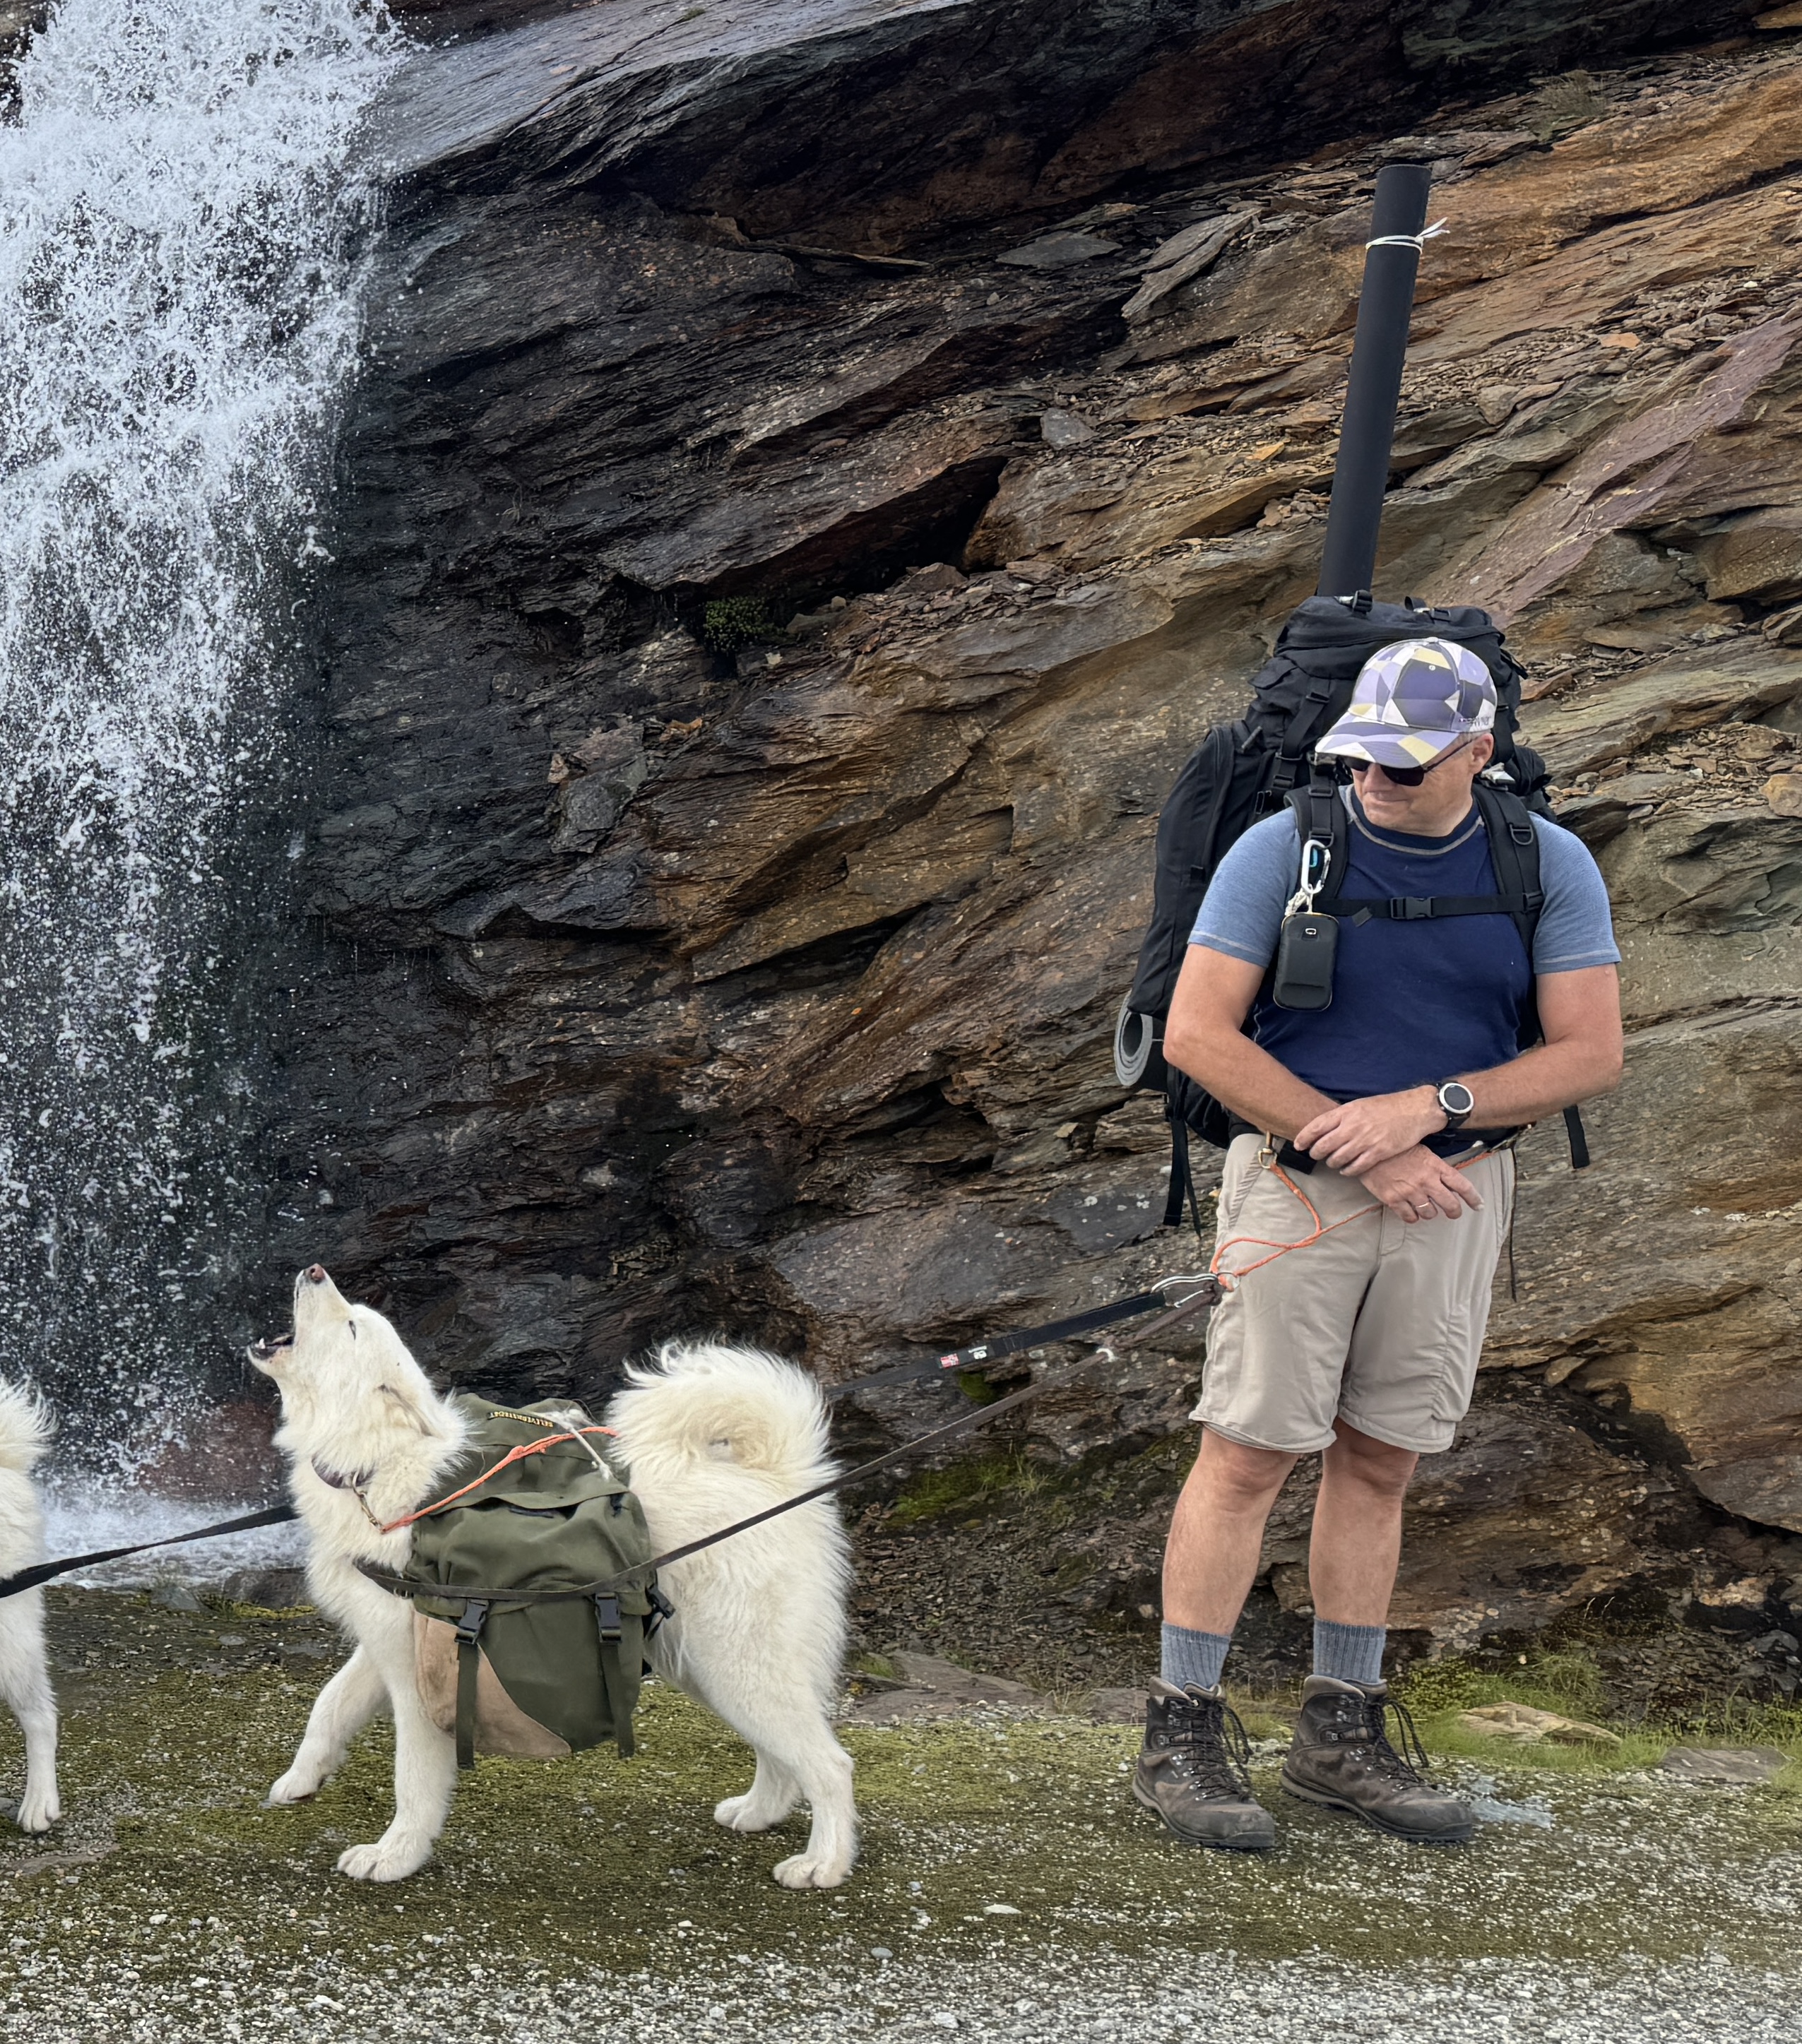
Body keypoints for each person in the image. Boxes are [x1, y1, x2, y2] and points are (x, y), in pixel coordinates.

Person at [1134, 636, 1623, 1850]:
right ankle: (1181, 1728)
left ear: (1479, 750)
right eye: (1361, 757)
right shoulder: (1283, 846)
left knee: (1384, 1456)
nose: (1376, 780)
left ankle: (1338, 1730)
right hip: (1296, 1191)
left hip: (1456, 1195)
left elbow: (1589, 1052)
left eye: (1405, 764)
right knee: (1248, 1452)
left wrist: (1428, 1110)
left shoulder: (1543, 860)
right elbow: (1196, 1035)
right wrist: (1369, 1148)